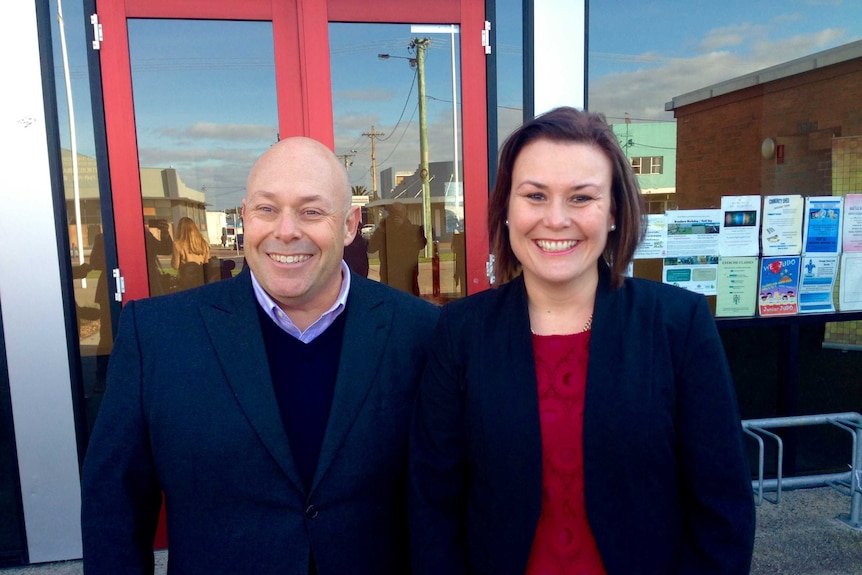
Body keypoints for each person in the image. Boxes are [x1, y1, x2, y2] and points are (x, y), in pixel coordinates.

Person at [409, 107, 755, 574]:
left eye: (580, 198)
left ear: (613, 211)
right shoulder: (461, 332)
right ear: (507, 209)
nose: (555, 219)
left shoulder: (677, 325)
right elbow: (434, 505)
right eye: (534, 196)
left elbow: (723, 508)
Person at [81, 137, 440, 575]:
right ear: (245, 216)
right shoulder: (156, 336)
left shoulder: (422, 333)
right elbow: (114, 508)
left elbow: (446, 500)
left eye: (311, 211)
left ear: (349, 225)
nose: (285, 230)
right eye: (267, 209)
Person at [368, 201, 426, 296]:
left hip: (408, 278)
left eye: (399, 213)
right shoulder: (384, 231)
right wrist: (380, 230)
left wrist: (403, 226)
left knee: (411, 305)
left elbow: (421, 244)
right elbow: (371, 248)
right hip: (389, 277)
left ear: (405, 214)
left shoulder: (413, 230)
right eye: (393, 213)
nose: (396, 216)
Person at [171, 216, 211, 290]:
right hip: (200, 279)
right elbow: (206, 263)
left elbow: (175, 266)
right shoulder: (203, 243)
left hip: (185, 282)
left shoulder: (177, 244)